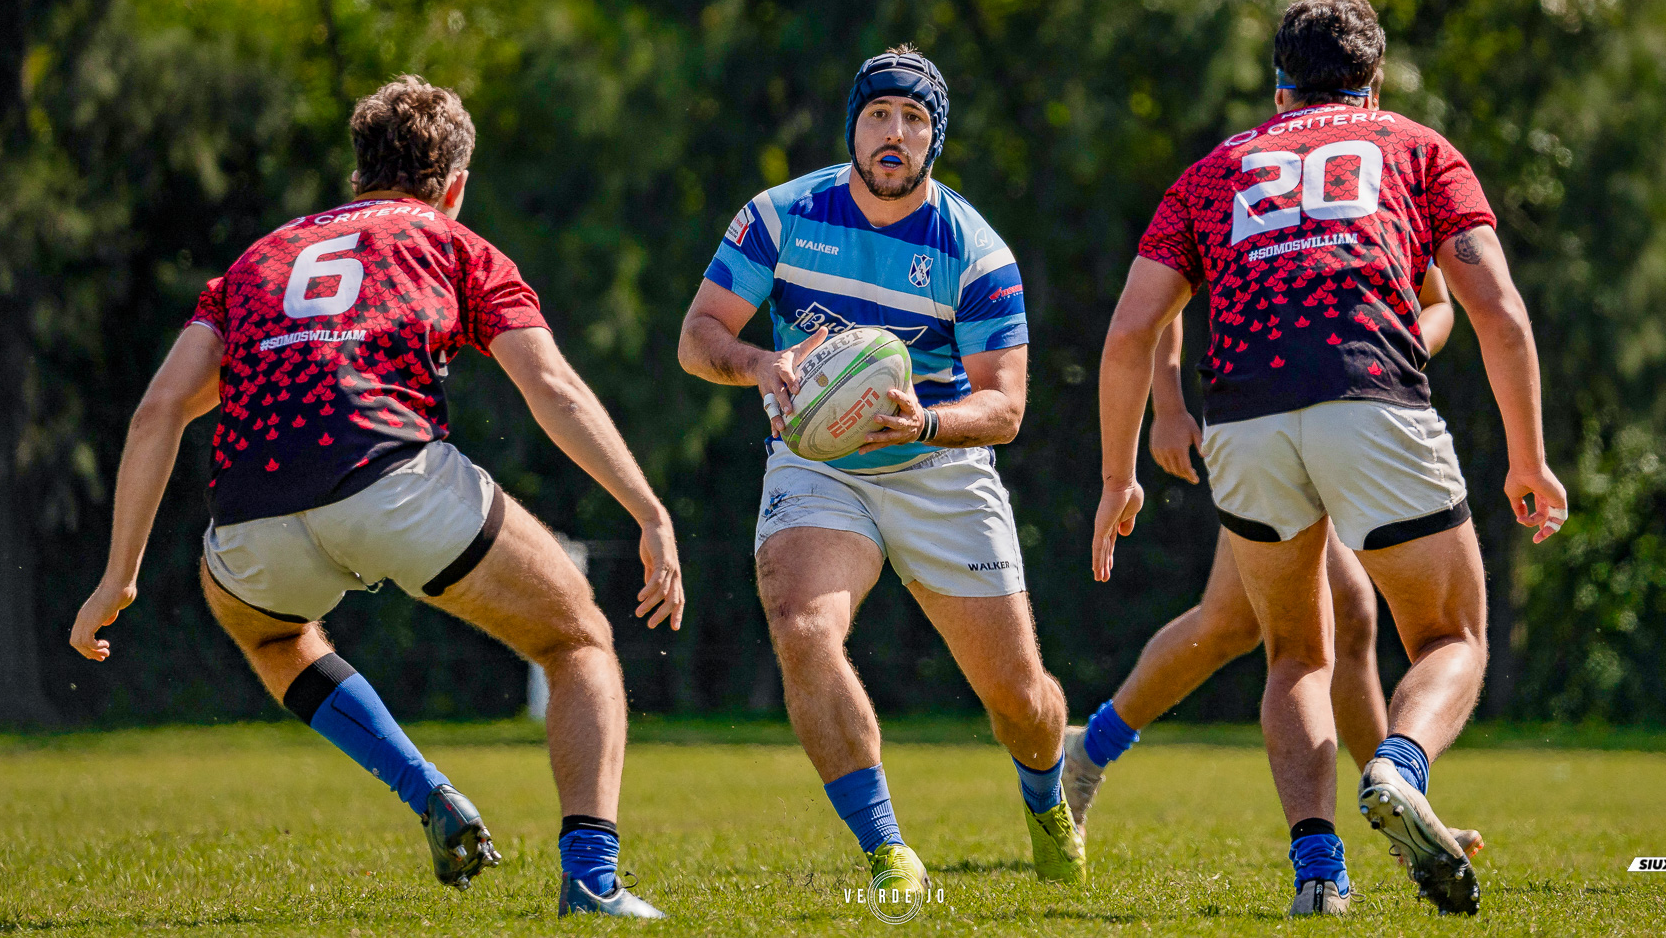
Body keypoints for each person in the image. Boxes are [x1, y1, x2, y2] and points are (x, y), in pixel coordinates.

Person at [69, 76, 681, 920]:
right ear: (455, 187)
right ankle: (592, 878)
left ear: (357, 173)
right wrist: (648, 509)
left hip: (249, 519)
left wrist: (118, 577)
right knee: (579, 641)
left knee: (271, 632)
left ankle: (423, 787)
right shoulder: (455, 242)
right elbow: (552, 389)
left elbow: (158, 411)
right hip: (393, 481)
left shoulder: (254, 261)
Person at [1091, 0, 1567, 917]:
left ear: (1279, 89)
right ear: (1375, 79)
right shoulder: (1418, 147)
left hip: (1243, 417)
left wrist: (1119, 476)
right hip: (1369, 399)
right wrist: (1528, 457)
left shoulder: (1213, 171)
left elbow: (1128, 334)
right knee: (1449, 635)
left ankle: (1320, 874)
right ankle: (1400, 766)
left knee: (1294, 653)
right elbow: (1498, 313)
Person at [678, 47, 1083, 898]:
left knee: (1020, 703)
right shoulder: (782, 216)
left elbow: (1005, 407)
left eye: (912, 119)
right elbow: (700, 333)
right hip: (818, 462)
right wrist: (758, 364)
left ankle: (1049, 798)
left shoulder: (974, 249)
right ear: (853, 126)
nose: (892, 134)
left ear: (935, 138)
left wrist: (927, 419)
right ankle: (889, 852)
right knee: (802, 629)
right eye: (878, 116)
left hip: (940, 463)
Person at [1063, 270, 1482, 858]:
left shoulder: (1388, 186)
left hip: (1355, 411)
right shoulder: (1238, 179)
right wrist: (1167, 404)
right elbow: (1159, 296)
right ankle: (1397, 803)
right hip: (1265, 418)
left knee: (1229, 624)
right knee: (1319, 619)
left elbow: (1438, 304)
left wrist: (1398, 342)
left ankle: (1086, 754)